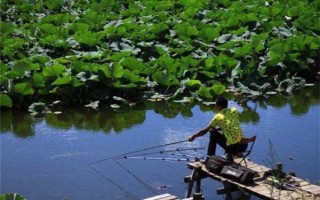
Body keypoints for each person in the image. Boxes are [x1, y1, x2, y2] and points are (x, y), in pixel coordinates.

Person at [188, 96, 254, 161]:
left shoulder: (218, 117)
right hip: (244, 146)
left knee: (213, 133)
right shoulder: (234, 110)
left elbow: (204, 131)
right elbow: (230, 124)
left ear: (219, 106)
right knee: (229, 133)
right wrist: (220, 128)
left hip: (234, 148)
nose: (215, 107)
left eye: (216, 105)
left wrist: (194, 136)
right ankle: (229, 155)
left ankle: (210, 157)